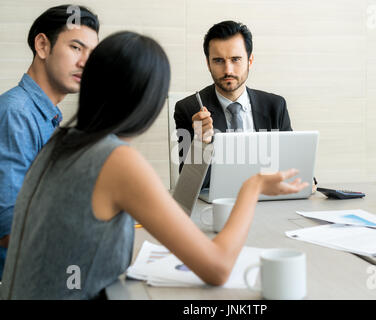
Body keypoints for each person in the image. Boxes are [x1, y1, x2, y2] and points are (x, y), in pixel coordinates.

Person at [0, 31, 308, 300]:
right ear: (148, 100)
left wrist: (202, 145)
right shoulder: (116, 159)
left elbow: (174, 209)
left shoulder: (62, 141)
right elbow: (219, 267)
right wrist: (252, 186)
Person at [0, 5, 99, 279]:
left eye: (92, 54)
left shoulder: (47, 115)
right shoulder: (17, 113)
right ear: (43, 46)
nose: (85, 63)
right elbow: (9, 226)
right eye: (76, 48)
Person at [174, 20, 292, 188]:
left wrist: (307, 180)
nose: (228, 70)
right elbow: (190, 185)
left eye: (236, 59)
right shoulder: (189, 109)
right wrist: (202, 143)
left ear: (250, 61)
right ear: (208, 64)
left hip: (268, 201)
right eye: (218, 61)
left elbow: (291, 167)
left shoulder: (276, 106)